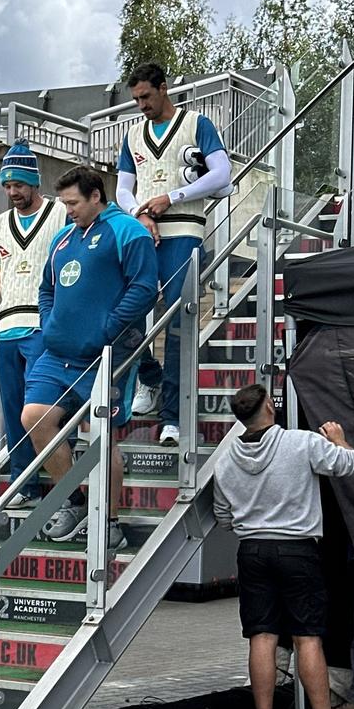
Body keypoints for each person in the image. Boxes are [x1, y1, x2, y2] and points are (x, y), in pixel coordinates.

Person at [213, 383, 354, 709]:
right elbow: (348, 465)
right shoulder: (301, 443)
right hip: (297, 550)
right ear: (271, 410)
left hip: (251, 551)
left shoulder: (226, 459)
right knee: (307, 637)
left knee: (262, 636)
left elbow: (223, 516)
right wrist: (340, 439)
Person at [21, 165, 158, 550]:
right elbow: (46, 289)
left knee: (103, 438)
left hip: (106, 356)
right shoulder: (63, 238)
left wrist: (108, 329)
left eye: (74, 203)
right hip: (57, 350)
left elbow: (146, 287)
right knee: (34, 418)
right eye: (65, 203)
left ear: (96, 196)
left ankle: (110, 523)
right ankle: (75, 500)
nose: (68, 211)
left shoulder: (127, 230)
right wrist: (49, 325)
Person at [116, 62, 232, 447]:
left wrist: (173, 196)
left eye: (146, 96)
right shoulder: (133, 135)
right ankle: (148, 377)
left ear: (163, 88)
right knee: (124, 314)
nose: (141, 105)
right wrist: (139, 213)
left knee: (178, 321)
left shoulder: (196, 122)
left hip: (184, 227)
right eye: (135, 99)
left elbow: (222, 174)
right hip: (143, 231)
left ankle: (173, 416)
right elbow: (122, 190)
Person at [0, 138, 67, 507]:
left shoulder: (60, 214)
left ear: (34, 182)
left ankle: (59, 482)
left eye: (18, 184)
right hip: (8, 326)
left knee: (38, 408)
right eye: (7, 186)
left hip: (46, 324)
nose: (13, 192)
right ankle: (26, 483)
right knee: (12, 409)